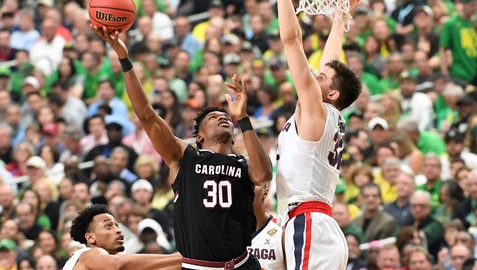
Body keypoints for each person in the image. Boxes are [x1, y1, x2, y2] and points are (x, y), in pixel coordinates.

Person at [92, 26, 272, 269]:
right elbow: (146, 115)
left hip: (242, 264)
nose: (222, 118)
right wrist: (124, 59)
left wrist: (244, 119)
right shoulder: (184, 157)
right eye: (213, 118)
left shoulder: (242, 164)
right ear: (198, 137)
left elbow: (264, 175)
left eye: (226, 117)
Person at [276, 0, 362, 269]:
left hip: (310, 223)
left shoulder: (316, 109)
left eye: (321, 77)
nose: (315, 75)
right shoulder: (326, 111)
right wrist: (339, 19)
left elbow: (291, 39)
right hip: (314, 224)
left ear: (332, 93)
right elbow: (330, 64)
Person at [63, 204, 181, 270]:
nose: (118, 230)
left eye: (117, 225)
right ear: (90, 238)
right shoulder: (88, 254)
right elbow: (118, 264)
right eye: (108, 226)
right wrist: (178, 257)